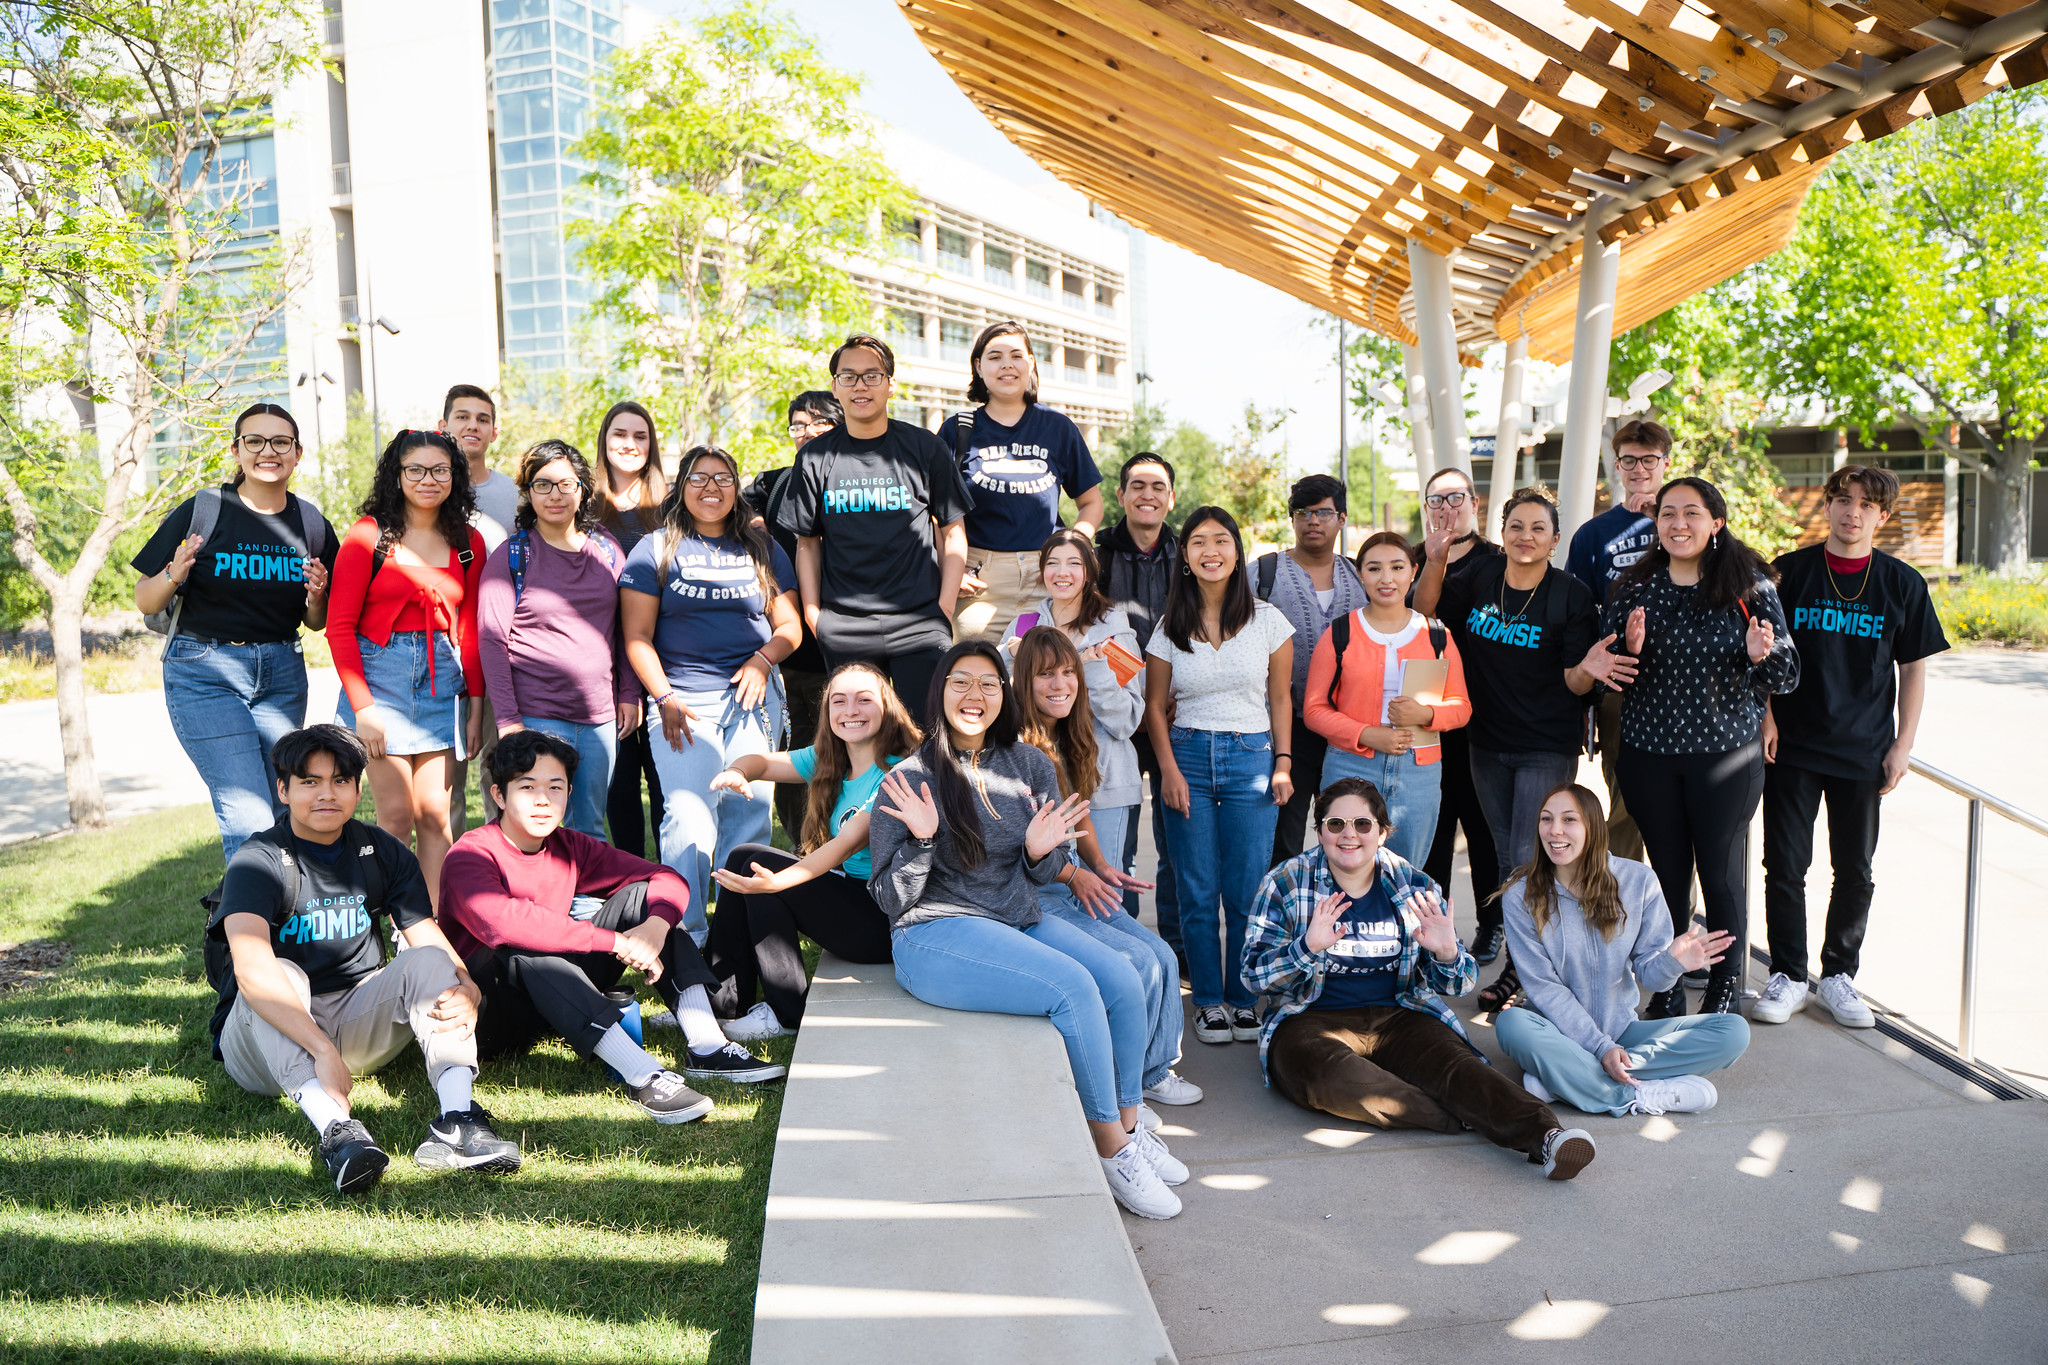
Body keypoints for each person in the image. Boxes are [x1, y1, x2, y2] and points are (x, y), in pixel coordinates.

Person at [868, 642, 1187, 1220]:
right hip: (934, 932)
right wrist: (920, 840)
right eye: (961, 682)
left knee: (1117, 976)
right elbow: (891, 898)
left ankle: (1131, 1123)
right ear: (939, 691)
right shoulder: (908, 778)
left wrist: (1042, 853)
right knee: (1074, 988)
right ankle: (1111, 1149)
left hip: (1014, 915)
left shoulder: (1028, 764)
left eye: (989, 684)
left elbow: (1038, 870)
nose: (976, 695)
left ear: (1003, 695)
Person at [208, 725, 516, 1194]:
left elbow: (424, 933)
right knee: (279, 972)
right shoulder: (258, 859)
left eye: (340, 781)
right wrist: (321, 1049)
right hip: (261, 1045)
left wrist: (466, 983)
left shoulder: (380, 850)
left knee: (431, 959)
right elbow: (251, 970)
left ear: (357, 788)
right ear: (283, 789)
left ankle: (458, 1121)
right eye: (310, 782)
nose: (326, 794)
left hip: (353, 1014)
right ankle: (339, 1135)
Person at [1242, 777, 1597, 1180]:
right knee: (1332, 1081)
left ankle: (1547, 1137)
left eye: (1362, 824)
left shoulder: (1414, 885)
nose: (1348, 835)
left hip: (1399, 1015)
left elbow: (1458, 984)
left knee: (1459, 1069)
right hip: (1310, 1019)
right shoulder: (1286, 882)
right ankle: (1462, 1115)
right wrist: (1305, 947)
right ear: (1320, 829)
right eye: (1335, 824)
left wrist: (1446, 953)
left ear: (1382, 832)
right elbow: (1252, 976)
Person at [439, 730, 785, 1124]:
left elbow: (666, 877)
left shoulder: (569, 846)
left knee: (646, 897)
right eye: (527, 786)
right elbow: (504, 924)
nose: (542, 799)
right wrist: (615, 941)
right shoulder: (471, 853)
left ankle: (707, 1045)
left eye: (555, 787)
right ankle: (643, 1075)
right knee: (524, 947)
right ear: (499, 795)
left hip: (552, 1000)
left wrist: (655, 927)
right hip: (484, 1015)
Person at [1756, 465, 1947, 1028]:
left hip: (1864, 749)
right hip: (1791, 743)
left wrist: (1903, 745)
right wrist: (1766, 716)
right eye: (1842, 499)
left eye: (1865, 504)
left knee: (1855, 870)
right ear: (1828, 506)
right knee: (1785, 866)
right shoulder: (1788, 574)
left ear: (1882, 516)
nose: (1851, 511)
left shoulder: (1902, 583)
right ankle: (1789, 975)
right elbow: (1761, 652)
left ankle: (1838, 975)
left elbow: (1912, 670)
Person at [1427, 488, 1629, 1009]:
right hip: (1485, 741)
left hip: (1543, 744)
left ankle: (1524, 973)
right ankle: (1534, 961)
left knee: (1527, 856)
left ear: (1555, 540)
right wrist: (1433, 560)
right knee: (1502, 856)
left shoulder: (1570, 594)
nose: (1526, 536)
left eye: (1538, 528)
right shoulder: (1479, 578)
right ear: (1503, 532)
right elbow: (1426, 611)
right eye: (1516, 526)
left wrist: (1588, 670)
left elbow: (1575, 682)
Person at [1606, 476, 1799, 1017]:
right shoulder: (1633, 589)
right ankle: (1666, 984)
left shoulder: (1749, 587)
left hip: (1726, 762)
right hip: (1649, 760)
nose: (1679, 524)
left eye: (1692, 513)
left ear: (1715, 523)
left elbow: (1787, 675)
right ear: (1656, 524)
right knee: (1666, 878)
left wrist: (1760, 655)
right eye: (1668, 513)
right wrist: (1629, 649)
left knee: (1719, 875)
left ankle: (1724, 987)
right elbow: (1608, 678)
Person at [133, 402, 336, 862]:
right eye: (255, 441)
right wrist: (175, 574)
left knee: (287, 809)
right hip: (205, 673)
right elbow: (145, 599)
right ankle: (247, 931)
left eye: (281, 442)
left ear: (297, 452)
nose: (269, 451)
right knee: (247, 816)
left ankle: (279, 924)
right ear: (237, 449)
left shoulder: (311, 523)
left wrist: (318, 595)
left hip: (282, 673)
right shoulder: (204, 510)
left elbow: (315, 622)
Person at [1012, 626, 1201, 1112]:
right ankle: (1122, 1089)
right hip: (1036, 889)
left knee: (1160, 956)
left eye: (1068, 673)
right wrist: (1076, 875)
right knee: (1132, 964)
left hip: (1074, 877)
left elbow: (1080, 814)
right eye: (1045, 676)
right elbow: (1019, 851)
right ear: (1023, 682)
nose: (1060, 685)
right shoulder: (1016, 750)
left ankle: (1152, 1073)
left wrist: (1101, 866)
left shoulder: (1070, 735)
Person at [620, 444, 799, 944]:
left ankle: (737, 934)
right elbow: (636, 636)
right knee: (688, 816)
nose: (711, 489)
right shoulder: (655, 548)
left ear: (736, 488)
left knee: (747, 817)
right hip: (682, 704)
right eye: (699, 479)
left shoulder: (762, 548)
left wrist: (763, 661)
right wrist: (664, 697)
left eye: (722, 479)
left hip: (753, 699)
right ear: (682, 488)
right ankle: (685, 934)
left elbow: (789, 625)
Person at [1495, 783, 1751, 1115]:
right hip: (1554, 1031)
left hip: (1623, 1031)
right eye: (1546, 819)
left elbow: (1653, 978)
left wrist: (1673, 963)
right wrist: (1600, 1047)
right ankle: (1635, 1095)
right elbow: (1544, 987)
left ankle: (1565, 1078)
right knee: (1511, 1025)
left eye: (1569, 820)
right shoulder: (1521, 895)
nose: (1554, 830)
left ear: (1593, 828)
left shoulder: (1638, 881)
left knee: (1733, 1031)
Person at [704, 662, 920, 1041]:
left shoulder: (898, 772)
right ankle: (721, 1005)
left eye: (864, 700)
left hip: (885, 920)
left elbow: (845, 844)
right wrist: (739, 770)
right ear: (828, 712)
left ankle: (786, 1012)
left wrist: (778, 883)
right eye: (839, 701)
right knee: (747, 857)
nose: (850, 710)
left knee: (761, 870)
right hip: (854, 898)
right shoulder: (831, 761)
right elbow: (765, 762)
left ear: (887, 707)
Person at [1144, 506, 1295, 1046]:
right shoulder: (1170, 626)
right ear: (1184, 556)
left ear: (1237, 550)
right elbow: (1155, 706)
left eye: (1221, 540)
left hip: (1252, 757)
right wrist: (1167, 770)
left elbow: (1281, 697)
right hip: (1186, 755)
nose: (1211, 551)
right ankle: (1208, 1000)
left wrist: (1282, 762)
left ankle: (1242, 997)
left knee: (1247, 888)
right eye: (1199, 542)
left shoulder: (1270, 621)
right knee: (1196, 887)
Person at [327, 429, 487, 910]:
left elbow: (472, 632)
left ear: (454, 475)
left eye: (439, 469)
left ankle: (430, 928)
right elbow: (338, 628)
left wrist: (476, 708)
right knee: (395, 816)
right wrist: (364, 708)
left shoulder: (468, 542)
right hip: (381, 681)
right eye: (414, 469)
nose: (427, 479)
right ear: (397, 476)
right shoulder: (368, 535)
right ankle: (387, 920)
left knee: (436, 816)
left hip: (445, 679)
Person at [773, 334, 975, 715]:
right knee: (858, 739)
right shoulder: (816, 457)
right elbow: (807, 544)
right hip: (845, 627)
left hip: (920, 623)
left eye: (871, 375)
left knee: (927, 738)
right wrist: (816, 617)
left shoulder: (923, 448)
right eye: (848, 377)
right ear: (835, 386)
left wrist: (944, 608)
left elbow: (953, 532)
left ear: (890, 384)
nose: (860, 386)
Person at [477, 439, 637, 839]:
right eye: (542, 484)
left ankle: (585, 904)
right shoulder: (512, 557)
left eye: (566, 484)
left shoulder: (607, 550)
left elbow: (626, 629)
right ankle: (531, 903)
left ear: (582, 488)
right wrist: (510, 721)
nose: (555, 495)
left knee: (591, 830)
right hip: (536, 716)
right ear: (528, 492)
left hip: (599, 718)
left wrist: (629, 693)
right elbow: (492, 641)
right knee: (532, 829)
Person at [1306, 530, 1472, 869]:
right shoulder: (1340, 633)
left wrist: (1425, 713)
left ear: (1413, 571)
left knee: (1405, 874)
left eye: (1397, 568)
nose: (1386, 579)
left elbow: (1462, 707)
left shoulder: (1437, 634)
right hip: (1350, 764)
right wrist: (1366, 734)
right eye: (1374, 568)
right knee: (1345, 869)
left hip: (1418, 769)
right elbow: (1314, 709)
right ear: (1360, 574)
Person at [948, 321, 1105, 643]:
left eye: (1016, 355)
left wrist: (1073, 546)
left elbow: (1091, 503)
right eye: (994, 357)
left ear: (1031, 363)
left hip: (1045, 578)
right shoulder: (957, 429)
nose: (1006, 364)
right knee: (973, 676)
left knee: (1044, 679)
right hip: (978, 581)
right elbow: (937, 513)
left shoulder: (1058, 427)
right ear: (978, 367)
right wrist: (951, 570)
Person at [1010, 529, 1147, 891]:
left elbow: (1127, 721)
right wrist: (1015, 665)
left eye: (1074, 563)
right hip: (1038, 788)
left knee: (1105, 891)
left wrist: (1092, 670)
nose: (1062, 572)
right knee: (1051, 889)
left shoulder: (1115, 633)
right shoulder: (1023, 628)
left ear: (1089, 571)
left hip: (1102, 783)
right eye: (1052, 563)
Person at [1565, 420, 1673, 862]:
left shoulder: (1688, 518)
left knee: (1677, 803)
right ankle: (1625, 907)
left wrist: (1658, 517)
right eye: (1630, 460)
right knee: (1625, 799)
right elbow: (1578, 612)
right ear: (1617, 465)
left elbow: (1719, 574)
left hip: (1684, 681)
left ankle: (1676, 917)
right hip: (1621, 682)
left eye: (1649, 460)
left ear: (1666, 462)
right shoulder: (1593, 534)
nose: (1639, 469)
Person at [1408, 466, 1504, 951]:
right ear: (1426, 509)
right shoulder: (1412, 559)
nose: (1447, 508)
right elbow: (1417, 615)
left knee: (1482, 826)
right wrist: (1434, 560)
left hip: (1486, 713)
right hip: (1428, 714)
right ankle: (1433, 924)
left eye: (1456, 498)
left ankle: (1492, 925)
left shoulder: (1501, 561)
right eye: (1436, 500)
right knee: (1435, 828)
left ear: (1475, 503)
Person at [1254, 473, 1368, 864]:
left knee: (1347, 835)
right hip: (1285, 727)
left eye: (1323, 512)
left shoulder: (1360, 574)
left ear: (1342, 518)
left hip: (1348, 729)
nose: (1313, 521)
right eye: (1303, 512)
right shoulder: (1261, 575)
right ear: (1292, 519)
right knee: (1283, 837)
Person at [745, 391, 841, 846]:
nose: (806, 432)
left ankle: (840, 850)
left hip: (842, 648)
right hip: (788, 653)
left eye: (818, 423)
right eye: (798, 425)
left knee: (841, 755)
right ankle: (805, 851)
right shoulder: (775, 482)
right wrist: (754, 519)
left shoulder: (859, 484)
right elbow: (733, 500)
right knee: (792, 755)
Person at [1095, 451, 1183, 949]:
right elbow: (1097, 628)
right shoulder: (1099, 552)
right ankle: (1120, 939)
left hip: (1177, 712)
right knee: (1117, 841)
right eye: (1137, 485)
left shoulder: (1188, 552)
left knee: (1176, 843)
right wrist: (1144, 689)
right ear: (1122, 495)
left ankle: (1175, 947)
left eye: (1157, 486)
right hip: (1118, 716)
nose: (1147, 494)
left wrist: (1170, 690)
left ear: (1170, 497)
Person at [593, 400, 669, 858]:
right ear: (604, 441)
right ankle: (631, 877)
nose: (630, 444)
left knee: (665, 782)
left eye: (640, 436)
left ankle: (672, 878)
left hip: (665, 660)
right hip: (604, 665)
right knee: (619, 785)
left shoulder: (672, 506)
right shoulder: (584, 506)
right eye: (620, 434)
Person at [441, 384, 515, 837]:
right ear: (444, 424)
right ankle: (442, 885)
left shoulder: (512, 494)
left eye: (482, 419)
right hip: (440, 648)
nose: (472, 425)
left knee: (497, 771)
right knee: (445, 785)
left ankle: (502, 872)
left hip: (497, 651)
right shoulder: (423, 484)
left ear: (493, 430)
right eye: (462, 417)